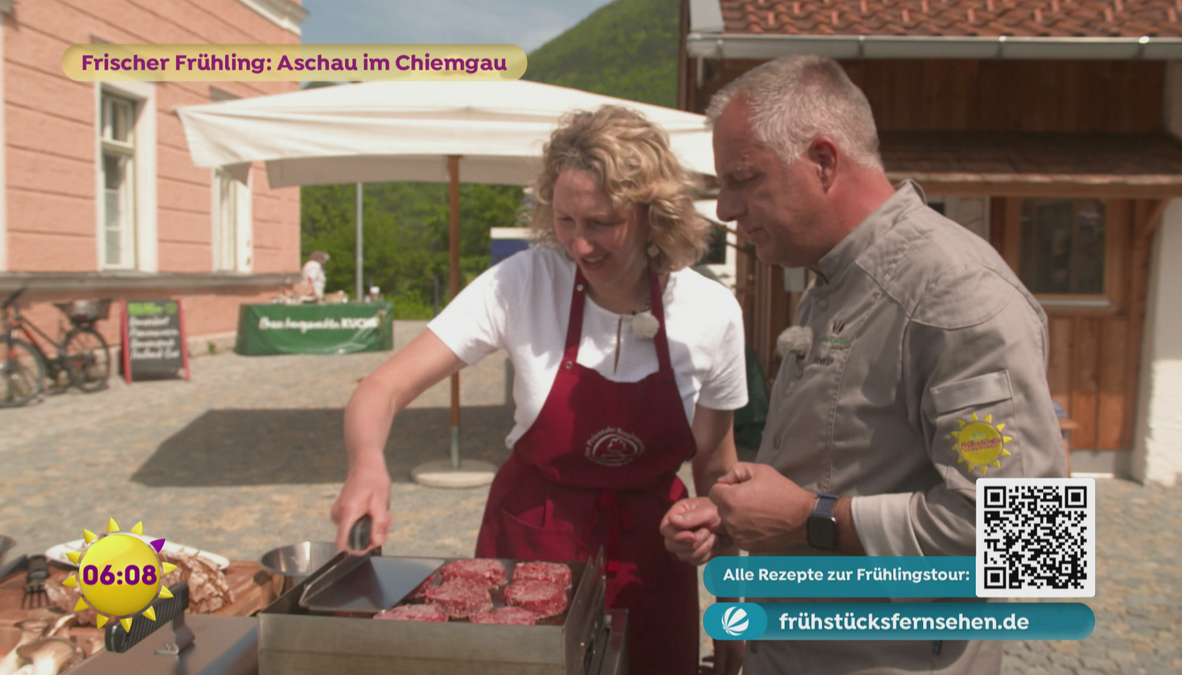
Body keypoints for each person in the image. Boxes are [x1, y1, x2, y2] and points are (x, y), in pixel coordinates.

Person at [661, 54, 1068, 675]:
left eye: (743, 178)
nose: (724, 209)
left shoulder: (952, 294)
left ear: (824, 161)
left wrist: (809, 518)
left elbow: (1029, 547)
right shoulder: (835, 278)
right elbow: (848, 468)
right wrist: (744, 519)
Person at [332, 105, 749, 675]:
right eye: (565, 220)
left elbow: (716, 474)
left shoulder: (711, 313)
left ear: (653, 213)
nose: (579, 245)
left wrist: (734, 613)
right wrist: (366, 465)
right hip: (530, 543)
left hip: (653, 557)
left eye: (601, 222)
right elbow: (381, 387)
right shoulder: (523, 283)